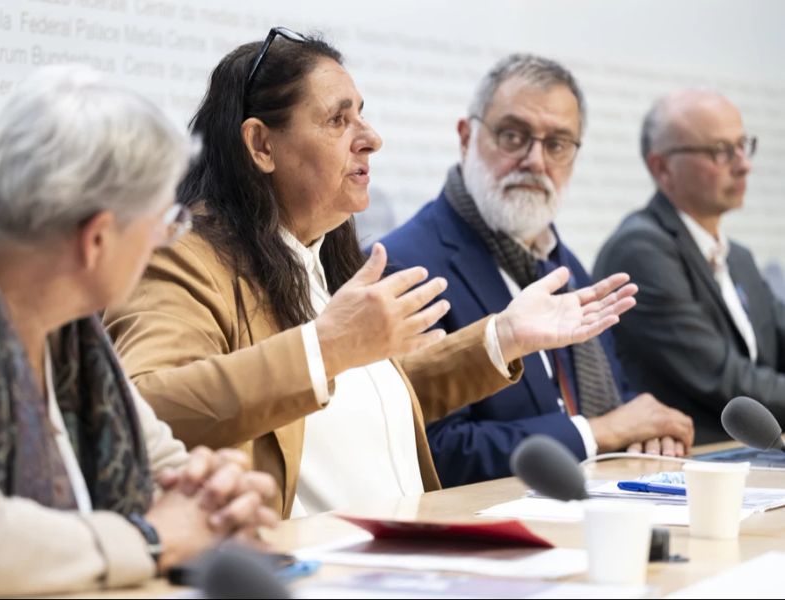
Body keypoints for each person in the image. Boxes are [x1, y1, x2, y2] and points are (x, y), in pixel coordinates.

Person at [104, 28, 637, 519]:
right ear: (262, 145)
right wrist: (326, 347)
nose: (370, 137)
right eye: (339, 120)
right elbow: (143, 409)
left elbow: (363, 403)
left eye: (362, 114)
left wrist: (502, 337)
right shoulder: (183, 254)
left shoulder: (318, 256)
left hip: (406, 559)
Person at [0, 65, 278, 598]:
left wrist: (221, 499)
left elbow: (171, 473)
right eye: (164, 222)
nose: (166, 242)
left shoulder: (72, 332)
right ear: (96, 241)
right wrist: (155, 537)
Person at [377, 54, 694, 485]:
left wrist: (650, 431)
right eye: (513, 136)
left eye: (557, 144)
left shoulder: (562, 261)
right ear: (466, 137)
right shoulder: (403, 267)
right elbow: (433, 449)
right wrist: (598, 433)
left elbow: (610, 399)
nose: (535, 160)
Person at [594, 89, 785, 444]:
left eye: (743, 146)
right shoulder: (640, 249)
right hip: (690, 467)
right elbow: (724, 379)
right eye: (721, 151)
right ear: (662, 167)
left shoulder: (738, 256)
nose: (744, 164)